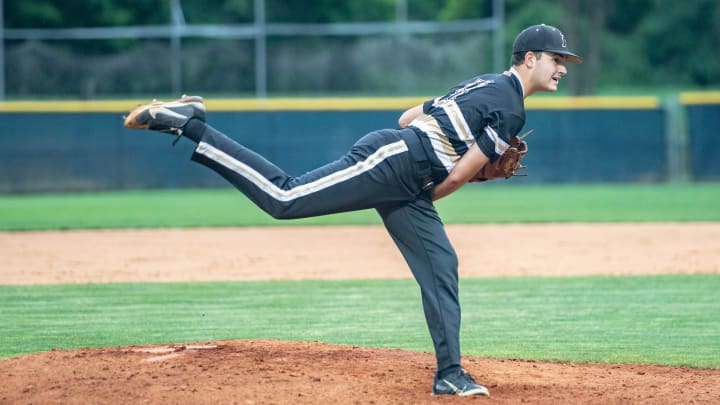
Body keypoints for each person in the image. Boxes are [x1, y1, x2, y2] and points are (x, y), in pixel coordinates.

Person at [124, 24, 581, 396]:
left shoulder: (484, 84)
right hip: (396, 165)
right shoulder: (511, 109)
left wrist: (440, 166)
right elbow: (458, 177)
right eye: (556, 58)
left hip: (407, 170)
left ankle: (449, 374)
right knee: (285, 198)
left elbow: (407, 115)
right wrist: (463, 175)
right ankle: (191, 125)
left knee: (441, 264)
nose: (562, 67)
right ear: (529, 58)